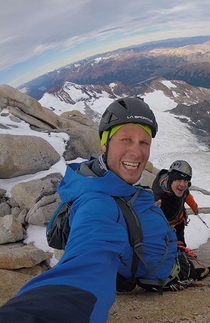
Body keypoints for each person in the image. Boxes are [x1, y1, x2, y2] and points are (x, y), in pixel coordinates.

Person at [0, 97, 176, 323]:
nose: (137, 152)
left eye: (144, 142)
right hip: (159, 280)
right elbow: (86, 263)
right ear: (104, 144)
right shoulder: (96, 203)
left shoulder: (113, 185)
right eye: (126, 139)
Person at [151, 160, 210, 279]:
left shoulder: (179, 188)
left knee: (181, 240)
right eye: (179, 180)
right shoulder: (158, 200)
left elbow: (186, 194)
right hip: (167, 230)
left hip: (178, 222)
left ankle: (182, 252)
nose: (182, 184)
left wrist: (194, 207)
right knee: (176, 250)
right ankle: (189, 271)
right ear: (170, 179)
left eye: (185, 181)